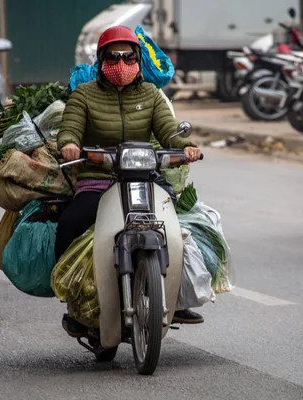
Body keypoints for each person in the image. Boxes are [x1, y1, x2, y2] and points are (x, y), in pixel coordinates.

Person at [56, 25, 204, 337]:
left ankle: (177, 295)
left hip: (144, 176)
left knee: (179, 224)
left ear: (138, 59)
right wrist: (69, 144)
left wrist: (185, 147)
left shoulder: (150, 94)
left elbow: (168, 131)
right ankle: (72, 298)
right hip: (99, 178)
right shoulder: (84, 95)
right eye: (113, 57)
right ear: (100, 60)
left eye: (128, 57)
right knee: (70, 222)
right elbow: (70, 129)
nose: (121, 64)